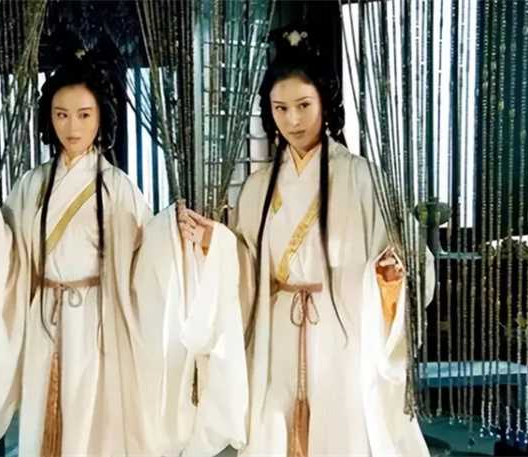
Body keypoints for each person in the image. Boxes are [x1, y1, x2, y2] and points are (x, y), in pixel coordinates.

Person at [177, 27, 435, 457]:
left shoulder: (362, 178)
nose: (293, 120)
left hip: (341, 333)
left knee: (340, 432)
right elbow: (246, 269)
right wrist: (216, 245)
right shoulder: (258, 187)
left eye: (303, 106)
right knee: (271, 431)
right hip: (275, 332)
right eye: (280, 108)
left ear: (324, 103)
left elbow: (407, 258)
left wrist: (390, 280)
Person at [0, 47, 156, 456]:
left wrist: (181, 240)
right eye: (61, 114)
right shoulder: (31, 185)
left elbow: (146, 261)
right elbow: (9, 253)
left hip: (96, 320)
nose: (72, 127)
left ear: (101, 116)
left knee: (92, 422)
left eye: (84, 115)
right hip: (43, 320)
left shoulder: (118, 188)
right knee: (42, 419)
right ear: (49, 117)